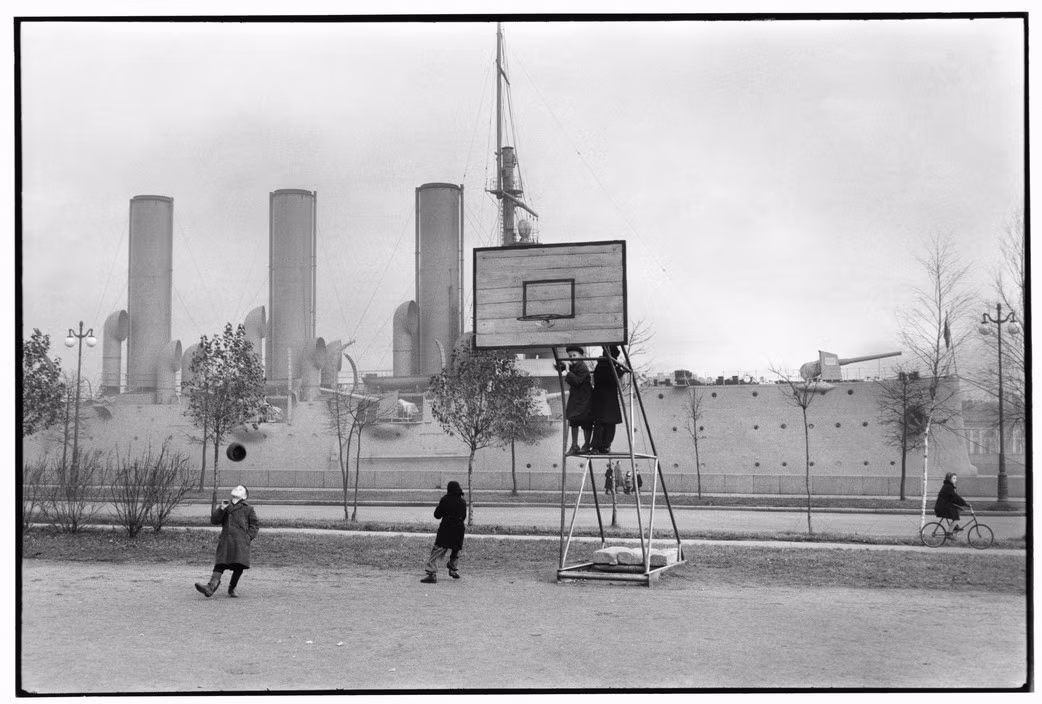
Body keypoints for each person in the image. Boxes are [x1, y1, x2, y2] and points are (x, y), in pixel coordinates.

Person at [194, 485, 260, 598]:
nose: (236, 489)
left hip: (240, 542)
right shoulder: (225, 505)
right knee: (220, 564)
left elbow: (254, 524)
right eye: (235, 488)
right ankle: (210, 588)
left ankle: (232, 588)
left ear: (244, 496)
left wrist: (248, 537)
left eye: (240, 489)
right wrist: (221, 509)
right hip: (226, 540)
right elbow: (214, 521)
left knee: (239, 566)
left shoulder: (248, 508)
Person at [421, 480, 467, 584]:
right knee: (455, 549)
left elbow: (437, 515)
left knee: (438, 550)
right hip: (459, 529)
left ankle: (431, 574)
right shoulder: (463, 502)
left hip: (446, 528)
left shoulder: (445, 500)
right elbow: (464, 517)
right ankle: (453, 568)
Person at [589, 345, 627, 454]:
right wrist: (620, 371)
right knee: (606, 423)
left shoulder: (601, 365)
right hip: (607, 399)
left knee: (602, 423)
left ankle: (600, 446)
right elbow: (612, 377)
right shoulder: (605, 366)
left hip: (603, 398)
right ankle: (602, 445)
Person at [557, 345, 593, 455]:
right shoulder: (574, 365)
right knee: (573, 420)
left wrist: (567, 370)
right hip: (576, 397)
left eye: (574, 355)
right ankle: (574, 445)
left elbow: (577, 381)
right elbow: (558, 367)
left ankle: (586, 444)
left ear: (580, 356)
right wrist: (562, 364)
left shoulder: (582, 367)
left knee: (586, 421)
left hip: (584, 398)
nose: (572, 357)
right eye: (570, 356)